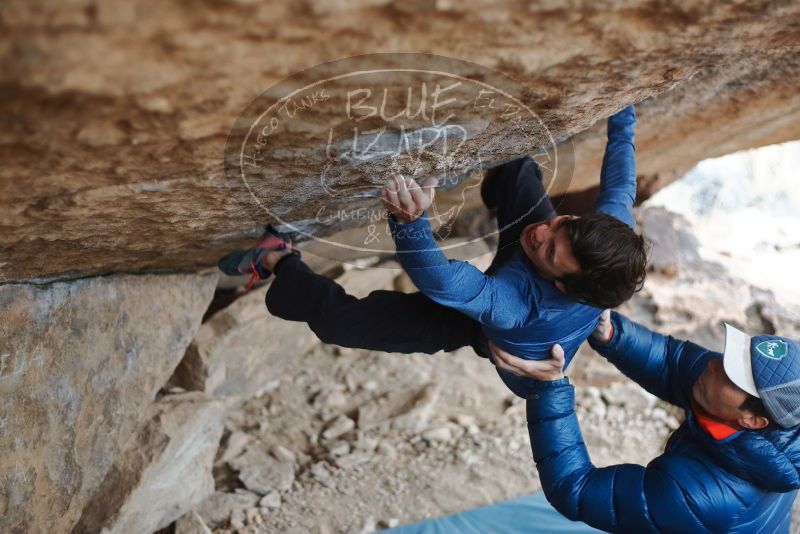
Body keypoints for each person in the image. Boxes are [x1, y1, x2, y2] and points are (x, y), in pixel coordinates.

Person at [219, 106, 647, 398]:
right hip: (532, 281)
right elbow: (621, 181)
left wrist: (410, 224)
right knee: (516, 169)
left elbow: (441, 281)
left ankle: (277, 257)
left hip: (485, 328)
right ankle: (497, 193)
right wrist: (623, 105)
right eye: (563, 222)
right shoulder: (603, 237)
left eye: (553, 249)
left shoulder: (514, 305)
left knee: (340, 324)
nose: (543, 230)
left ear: (559, 282)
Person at [490, 309, 800, 533]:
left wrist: (548, 388)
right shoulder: (781, 413)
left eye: (733, 375)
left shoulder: (695, 495)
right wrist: (612, 334)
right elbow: (672, 362)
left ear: (753, 421)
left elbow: (576, 490)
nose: (714, 363)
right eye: (733, 356)